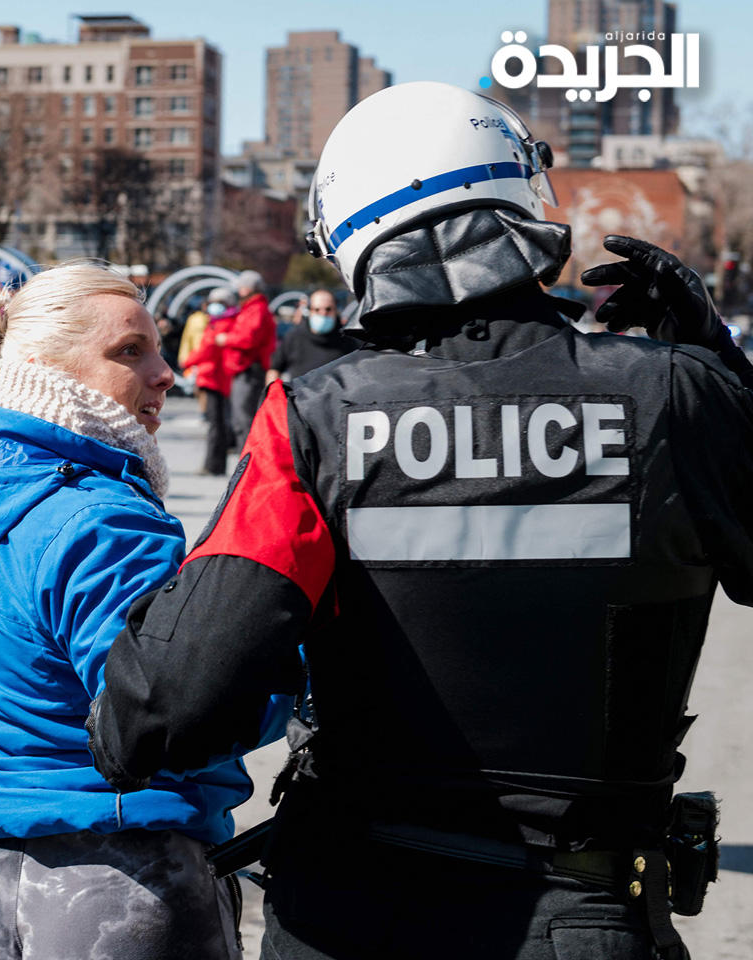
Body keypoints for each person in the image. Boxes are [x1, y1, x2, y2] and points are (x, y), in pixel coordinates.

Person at [88, 81, 753, 960]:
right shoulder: (673, 394)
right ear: (522, 199)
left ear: (353, 241)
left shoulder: (315, 420)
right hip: (585, 916)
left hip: (356, 917)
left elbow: (161, 713)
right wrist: (719, 367)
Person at [0, 264, 284, 960]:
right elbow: (171, 718)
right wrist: (295, 662)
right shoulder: (103, 522)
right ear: (44, 368)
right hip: (122, 872)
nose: (165, 374)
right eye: (130, 352)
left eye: (157, 350)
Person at [180, 286, 239, 476]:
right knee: (218, 422)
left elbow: (207, 348)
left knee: (215, 424)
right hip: (218, 377)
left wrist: (188, 361)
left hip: (213, 377)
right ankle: (216, 464)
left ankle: (213, 465)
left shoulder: (221, 324)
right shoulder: (224, 322)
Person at [218, 269, 276, 449]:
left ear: (249, 288)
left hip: (249, 370)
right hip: (245, 370)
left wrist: (226, 338)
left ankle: (248, 459)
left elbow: (248, 338)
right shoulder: (252, 308)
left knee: (244, 419)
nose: (239, 290)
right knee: (241, 419)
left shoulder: (256, 309)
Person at [266, 288, 359, 384]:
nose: (323, 313)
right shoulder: (294, 336)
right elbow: (274, 369)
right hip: (300, 392)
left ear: (336, 310)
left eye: (328, 309)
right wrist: (273, 390)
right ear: (309, 311)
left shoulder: (347, 339)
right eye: (317, 309)